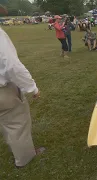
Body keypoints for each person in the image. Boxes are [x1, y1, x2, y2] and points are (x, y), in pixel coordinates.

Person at [0, 5, 45, 168]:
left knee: (6, 121)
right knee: (17, 122)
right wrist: (32, 88)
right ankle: (24, 158)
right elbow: (12, 66)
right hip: (3, 91)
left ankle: (15, 147)